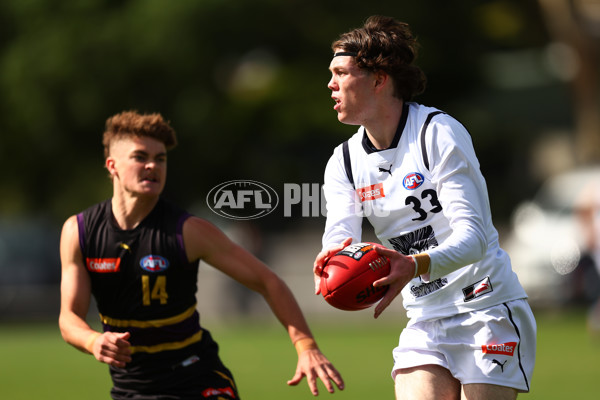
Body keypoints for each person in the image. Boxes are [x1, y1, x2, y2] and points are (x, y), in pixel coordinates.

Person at [313, 16, 536, 400]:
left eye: (340, 73)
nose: (330, 84)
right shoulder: (344, 161)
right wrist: (331, 260)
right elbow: (340, 235)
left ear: (379, 79)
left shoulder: (437, 132)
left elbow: (476, 240)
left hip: (487, 307)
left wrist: (413, 264)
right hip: (426, 315)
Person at [59, 111, 344, 399]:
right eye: (140, 156)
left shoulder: (188, 231)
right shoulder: (79, 232)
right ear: (113, 166)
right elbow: (69, 317)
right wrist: (94, 341)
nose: (152, 166)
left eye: (160, 159)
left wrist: (306, 346)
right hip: (131, 388)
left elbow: (267, 281)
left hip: (196, 379)